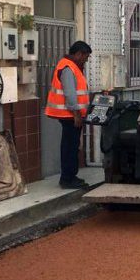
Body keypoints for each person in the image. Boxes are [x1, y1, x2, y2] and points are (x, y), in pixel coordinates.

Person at [45, 41, 92, 189]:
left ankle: (70, 175)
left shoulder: (72, 66)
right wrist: (77, 114)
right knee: (70, 147)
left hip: (71, 115)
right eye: (85, 56)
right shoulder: (68, 68)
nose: (86, 60)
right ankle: (67, 179)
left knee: (71, 146)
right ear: (78, 54)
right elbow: (70, 94)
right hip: (70, 115)